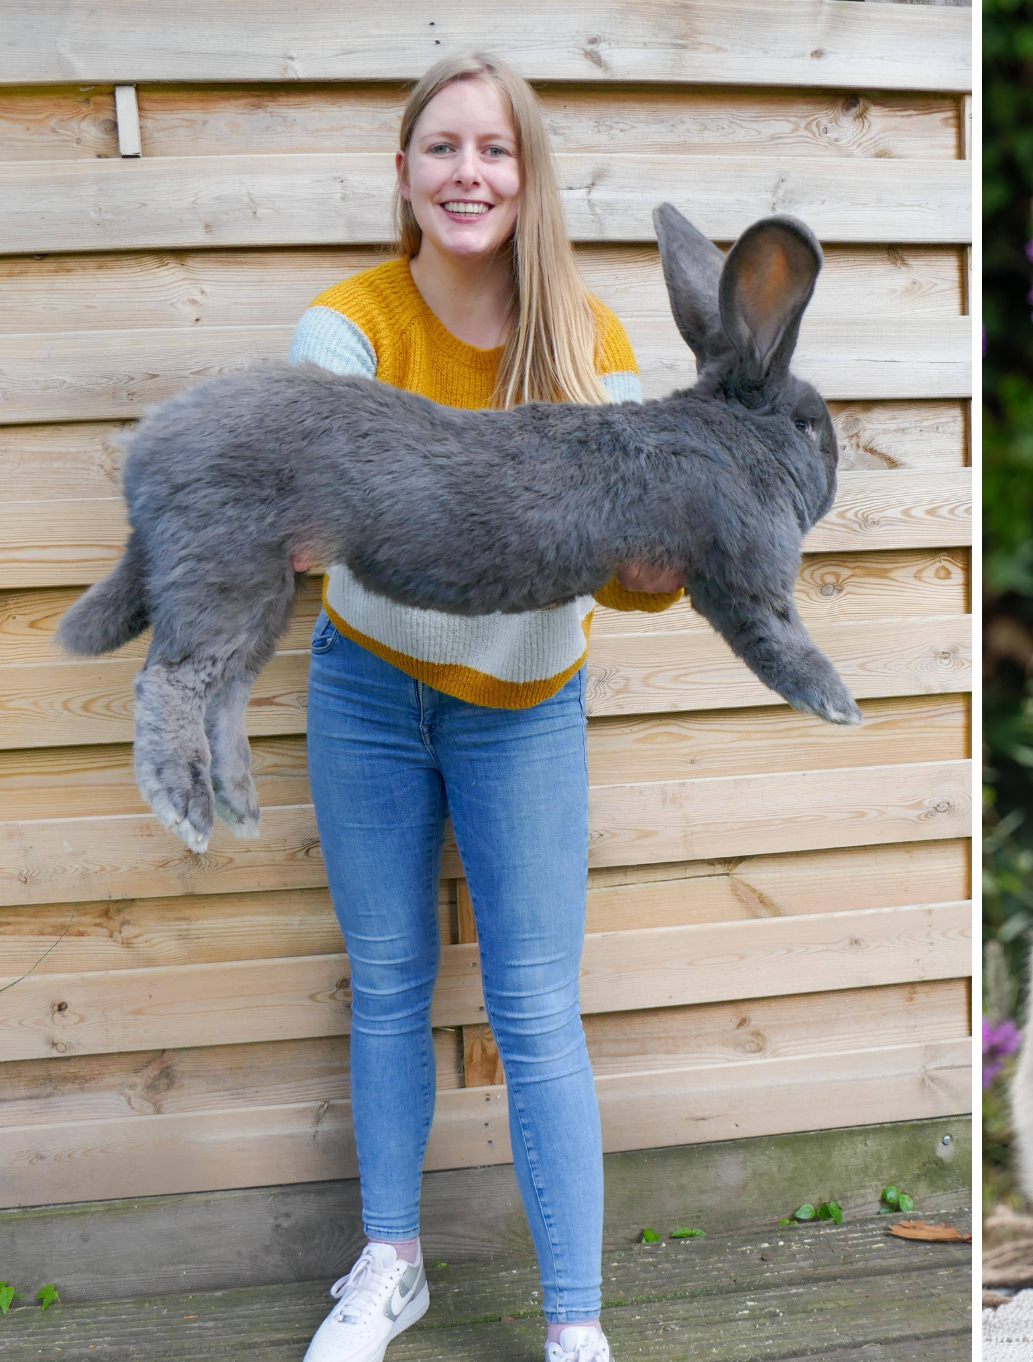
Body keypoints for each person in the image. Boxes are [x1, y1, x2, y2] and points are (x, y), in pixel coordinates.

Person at [290, 51, 678, 1362]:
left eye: (495, 150)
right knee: (390, 981)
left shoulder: (588, 339)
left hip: (524, 703)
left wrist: (655, 556)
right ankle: (390, 1263)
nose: (469, 172)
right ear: (404, 174)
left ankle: (577, 1322)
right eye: (444, 147)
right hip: (366, 690)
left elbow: (626, 579)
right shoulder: (348, 323)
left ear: (528, 175)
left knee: (534, 1008)